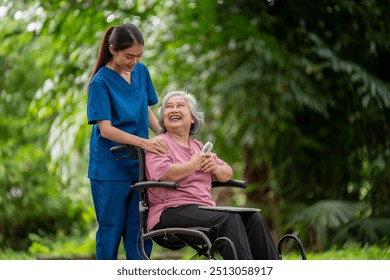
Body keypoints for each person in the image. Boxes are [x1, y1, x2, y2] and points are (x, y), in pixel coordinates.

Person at [144, 90, 279, 260]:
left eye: (180, 106)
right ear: (163, 118)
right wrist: (193, 165)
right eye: (168, 107)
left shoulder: (198, 147)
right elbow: (164, 174)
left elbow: (227, 172)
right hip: (169, 211)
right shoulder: (159, 143)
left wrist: (214, 167)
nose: (173, 110)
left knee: (252, 218)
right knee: (228, 220)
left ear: (193, 117)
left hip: (201, 209)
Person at [87, 23, 168, 260]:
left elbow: (146, 110)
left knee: (140, 230)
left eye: (139, 56)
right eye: (128, 56)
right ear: (113, 50)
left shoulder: (141, 72)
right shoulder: (100, 82)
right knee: (111, 230)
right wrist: (145, 143)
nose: (134, 61)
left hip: (140, 166)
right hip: (110, 167)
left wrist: (166, 137)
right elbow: (106, 129)